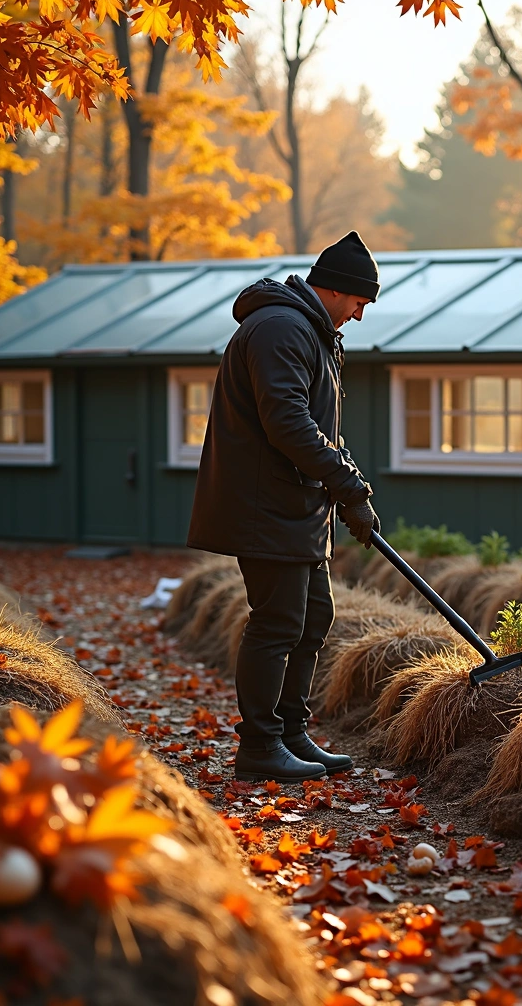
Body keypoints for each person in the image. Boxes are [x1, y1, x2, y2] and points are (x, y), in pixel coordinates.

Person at [187, 231, 381, 782]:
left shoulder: (312, 333)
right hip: (264, 505)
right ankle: (259, 746)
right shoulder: (280, 329)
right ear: (340, 290)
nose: (361, 316)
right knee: (277, 622)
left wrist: (349, 490)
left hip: (295, 504)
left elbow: (319, 428)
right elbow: (288, 423)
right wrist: (349, 486)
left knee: (314, 616)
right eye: (362, 302)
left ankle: (291, 732)